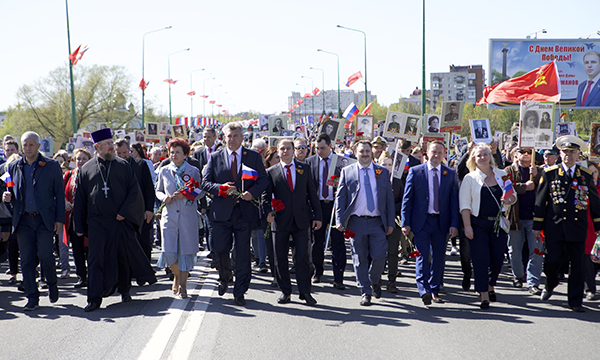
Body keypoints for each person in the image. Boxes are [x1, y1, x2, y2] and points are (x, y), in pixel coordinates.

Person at [73, 128, 156, 312]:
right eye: (108, 144)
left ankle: (125, 289)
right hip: (96, 222)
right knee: (95, 260)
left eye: (112, 143)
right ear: (97, 147)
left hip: (119, 220)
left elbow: (135, 191)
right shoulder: (86, 169)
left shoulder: (123, 165)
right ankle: (94, 299)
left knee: (122, 257)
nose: (111, 147)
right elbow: (80, 198)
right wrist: (78, 224)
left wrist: (125, 212)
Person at [202, 122, 268, 306]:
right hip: (221, 213)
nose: (232, 139)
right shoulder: (215, 157)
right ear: (224, 137)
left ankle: (240, 291)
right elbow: (205, 183)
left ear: (242, 137)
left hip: (244, 213)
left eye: (236, 136)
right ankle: (224, 277)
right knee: (220, 249)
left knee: (242, 254)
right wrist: (220, 188)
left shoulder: (253, 157)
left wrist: (252, 193)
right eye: (229, 136)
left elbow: (263, 179)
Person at [534, 135, 600, 312]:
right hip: (554, 226)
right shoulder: (550, 173)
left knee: (577, 265)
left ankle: (575, 300)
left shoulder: (585, 175)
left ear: (578, 154)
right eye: (564, 152)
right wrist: (537, 226)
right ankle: (550, 283)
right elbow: (541, 202)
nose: (568, 155)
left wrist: (598, 225)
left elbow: (594, 202)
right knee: (552, 261)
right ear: (559, 153)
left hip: (577, 228)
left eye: (572, 152)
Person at [3, 131, 65, 311]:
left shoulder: (51, 165)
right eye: (25, 145)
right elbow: (10, 190)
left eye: (31, 145)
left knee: (46, 254)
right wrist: (7, 196)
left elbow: (59, 195)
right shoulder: (14, 167)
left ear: (38, 146)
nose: (28, 148)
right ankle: (32, 297)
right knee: (27, 260)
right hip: (23, 221)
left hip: (44, 220)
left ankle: (52, 283)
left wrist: (59, 220)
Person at [335, 140, 395, 306]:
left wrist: (391, 222)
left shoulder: (381, 172)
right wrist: (339, 220)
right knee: (359, 258)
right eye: (362, 151)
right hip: (356, 222)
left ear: (372, 152)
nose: (365, 154)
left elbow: (389, 199)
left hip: (377, 222)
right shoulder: (348, 172)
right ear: (356, 153)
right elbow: (340, 198)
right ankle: (365, 291)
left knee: (379, 256)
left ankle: (374, 280)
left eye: (368, 151)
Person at [264, 139, 322, 305]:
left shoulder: (304, 168)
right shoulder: (272, 172)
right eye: (282, 149)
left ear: (294, 150)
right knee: (280, 257)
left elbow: (312, 194)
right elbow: (265, 197)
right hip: (280, 220)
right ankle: (285, 291)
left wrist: (317, 216)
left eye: (288, 148)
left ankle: (305, 292)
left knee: (303, 257)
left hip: (301, 220)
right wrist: (268, 211)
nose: (285, 151)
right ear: (277, 152)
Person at [402, 141, 460, 305]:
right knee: (422, 255)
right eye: (434, 152)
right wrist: (405, 222)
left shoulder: (450, 173)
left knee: (438, 257)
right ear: (427, 152)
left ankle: (434, 289)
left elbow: (454, 202)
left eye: (440, 153)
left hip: (441, 222)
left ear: (444, 154)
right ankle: (424, 289)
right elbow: (407, 199)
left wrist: (454, 224)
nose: (436, 155)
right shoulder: (416, 172)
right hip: (422, 221)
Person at [459, 143, 516, 309]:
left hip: (497, 223)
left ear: (490, 156)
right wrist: (467, 226)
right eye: (479, 155)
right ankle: (484, 294)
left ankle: (491, 284)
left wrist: (509, 200)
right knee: (480, 259)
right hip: (478, 224)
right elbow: (464, 205)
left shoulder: (501, 174)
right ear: (474, 159)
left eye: (485, 154)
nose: (482, 158)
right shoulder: (470, 178)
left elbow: (512, 197)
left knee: (498, 259)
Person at [156, 139, 203, 298]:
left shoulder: (193, 170)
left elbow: (200, 191)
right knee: (168, 251)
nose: (173, 155)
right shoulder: (164, 170)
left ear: (185, 155)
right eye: (171, 152)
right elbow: (158, 190)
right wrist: (164, 198)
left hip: (187, 216)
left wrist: (186, 195)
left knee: (185, 252)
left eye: (177, 152)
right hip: (169, 216)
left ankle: (183, 286)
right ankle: (176, 276)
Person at [306, 134, 347, 289]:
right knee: (317, 241)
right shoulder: (310, 162)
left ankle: (339, 277)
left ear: (330, 146)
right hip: (318, 207)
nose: (319, 151)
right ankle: (318, 270)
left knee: (338, 241)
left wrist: (342, 193)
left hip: (336, 206)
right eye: (317, 148)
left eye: (322, 148)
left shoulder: (341, 162)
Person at [505, 148, 544, 294]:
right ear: (516, 154)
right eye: (522, 151)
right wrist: (524, 187)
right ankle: (518, 276)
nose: (526, 154)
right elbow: (506, 187)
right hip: (515, 217)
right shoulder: (509, 169)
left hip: (535, 218)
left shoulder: (539, 170)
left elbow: (545, 188)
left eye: (529, 152)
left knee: (537, 251)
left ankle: (533, 282)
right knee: (514, 250)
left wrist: (537, 175)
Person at [115, 140, 156, 264]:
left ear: (130, 151)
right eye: (119, 153)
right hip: (120, 213)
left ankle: (144, 273)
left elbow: (149, 189)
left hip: (140, 212)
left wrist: (149, 209)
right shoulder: (112, 166)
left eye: (125, 152)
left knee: (142, 243)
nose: (122, 155)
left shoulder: (140, 165)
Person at [63, 148, 92, 288]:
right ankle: (81, 276)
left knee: (90, 248)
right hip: (72, 217)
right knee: (77, 248)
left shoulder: (92, 174)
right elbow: (60, 191)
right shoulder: (69, 175)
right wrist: (65, 202)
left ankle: (93, 275)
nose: (80, 161)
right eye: (78, 159)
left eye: (84, 159)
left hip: (88, 217)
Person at [377, 151, 403, 292]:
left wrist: (391, 209)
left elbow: (403, 201)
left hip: (394, 220)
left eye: (389, 164)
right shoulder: (375, 179)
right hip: (378, 220)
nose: (387, 167)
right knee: (378, 251)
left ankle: (392, 280)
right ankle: (377, 276)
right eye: (384, 164)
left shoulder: (398, 181)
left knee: (393, 251)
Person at [584, 161, 600, 301]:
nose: (592, 175)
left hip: (598, 228)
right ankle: (590, 288)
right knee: (588, 259)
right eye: (589, 172)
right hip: (587, 228)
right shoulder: (582, 188)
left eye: (594, 172)